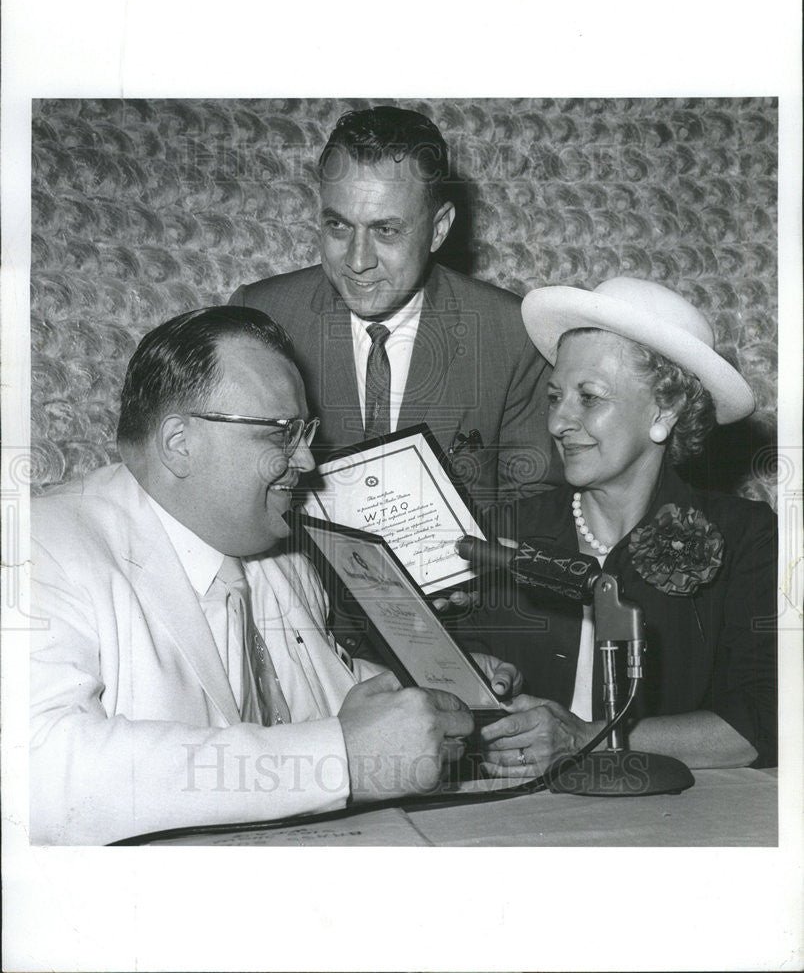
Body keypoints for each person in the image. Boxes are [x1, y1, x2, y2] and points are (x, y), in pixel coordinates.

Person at [30, 306, 524, 846]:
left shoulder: (281, 556)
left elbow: (311, 686)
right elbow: (40, 771)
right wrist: (340, 761)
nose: (308, 460)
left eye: (304, 430)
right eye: (281, 433)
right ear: (179, 444)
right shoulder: (40, 548)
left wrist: (431, 694)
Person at [464, 277, 777, 776]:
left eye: (589, 398)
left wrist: (584, 740)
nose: (558, 422)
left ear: (665, 407)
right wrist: (470, 674)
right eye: (554, 396)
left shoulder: (747, 538)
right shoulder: (504, 532)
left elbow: (763, 719)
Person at [229, 105, 559, 509]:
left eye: (385, 231)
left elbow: (533, 507)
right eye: (338, 226)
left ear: (438, 229)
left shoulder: (511, 334)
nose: (358, 259)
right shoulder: (259, 316)